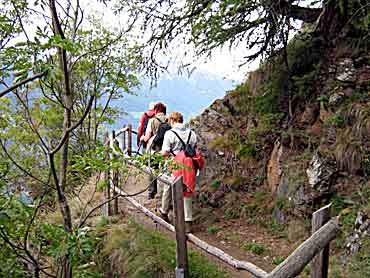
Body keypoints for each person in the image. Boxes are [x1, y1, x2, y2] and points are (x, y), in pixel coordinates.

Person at [160, 111, 202, 233]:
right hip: (189, 165)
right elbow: (194, 149)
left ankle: (164, 212)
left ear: (172, 120)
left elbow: (165, 152)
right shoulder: (192, 133)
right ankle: (188, 221)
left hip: (175, 164)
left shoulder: (169, 134)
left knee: (168, 187)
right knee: (187, 190)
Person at [140, 102, 167, 199]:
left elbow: (147, 137)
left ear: (156, 110)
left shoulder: (152, 121)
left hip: (155, 149)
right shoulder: (169, 120)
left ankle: (152, 192)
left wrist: (142, 138)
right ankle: (165, 192)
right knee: (166, 170)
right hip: (167, 150)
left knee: (153, 169)